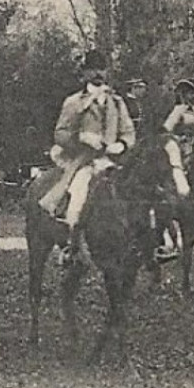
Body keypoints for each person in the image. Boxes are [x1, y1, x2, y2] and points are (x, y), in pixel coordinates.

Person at [39, 50, 137, 264]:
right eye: (93, 69)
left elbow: (128, 132)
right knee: (79, 191)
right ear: (84, 74)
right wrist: (82, 137)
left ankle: (150, 243)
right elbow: (60, 133)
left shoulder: (117, 102)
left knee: (138, 189)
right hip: (83, 158)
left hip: (111, 159)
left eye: (101, 68)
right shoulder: (74, 102)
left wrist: (121, 145)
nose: (98, 73)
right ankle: (71, 246)